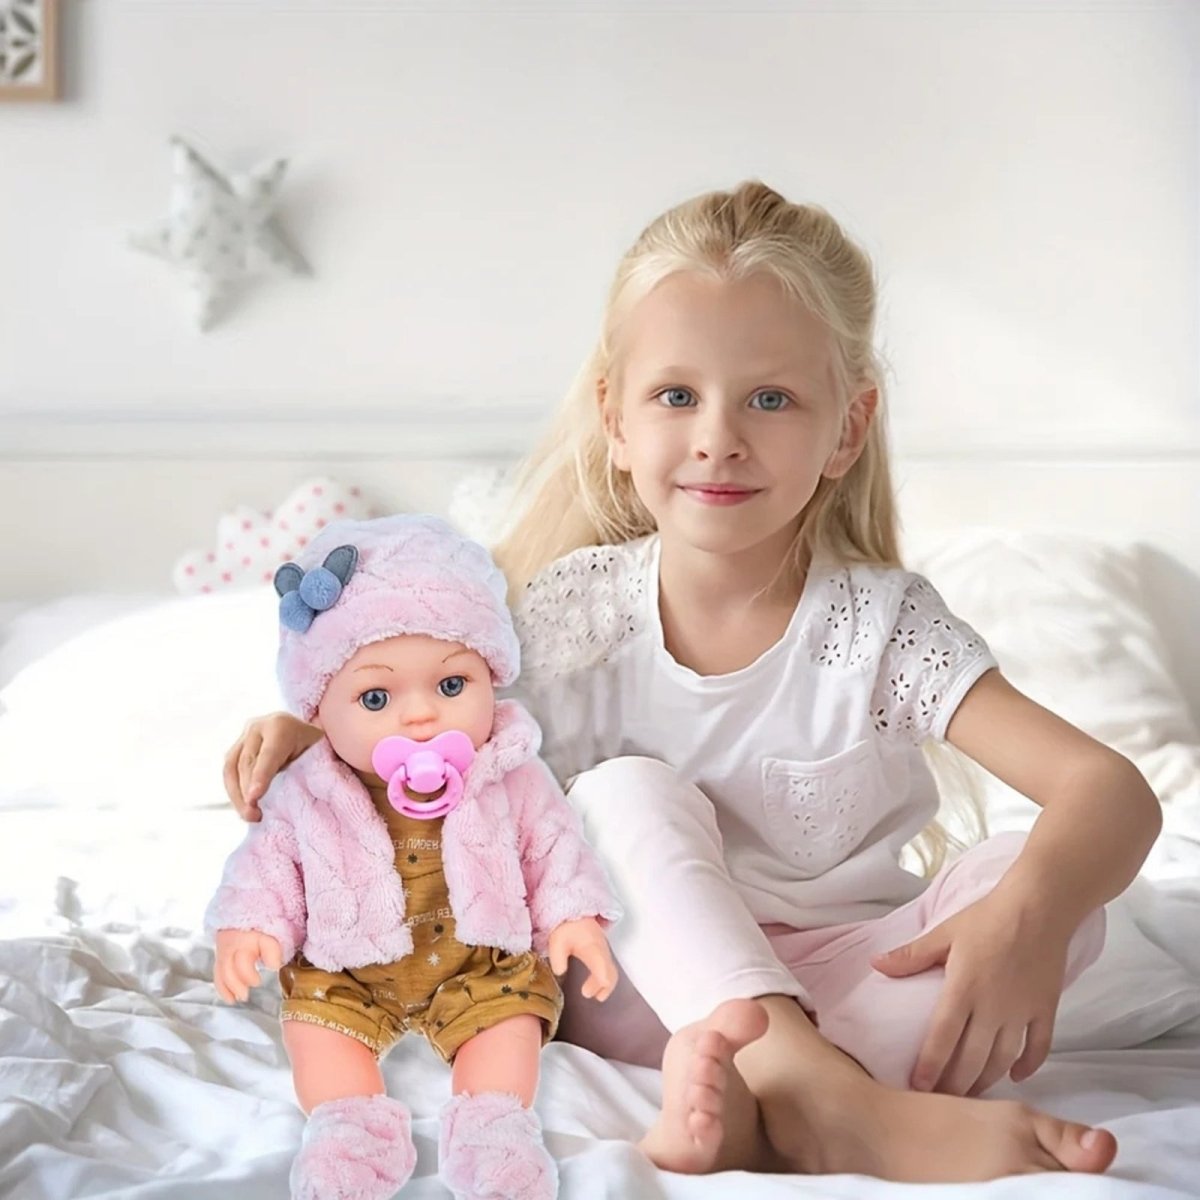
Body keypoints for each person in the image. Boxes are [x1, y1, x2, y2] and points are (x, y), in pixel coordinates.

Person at [221, 181, 1164, 1184]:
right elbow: (430, 767)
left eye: (771, 398)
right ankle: (832, 1100)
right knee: (621, 795)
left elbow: (1109, 792)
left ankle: (769, 1103)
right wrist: (312, 742)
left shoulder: (883, 629)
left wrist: (1030, 915)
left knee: (1040, 880)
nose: (719, 435)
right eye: (677, 396)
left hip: (848, 975)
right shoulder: (568, 616)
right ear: (617, 425)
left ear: (847, 428)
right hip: (632, 983)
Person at [207, 514, 620, 1200]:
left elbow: (554, 845)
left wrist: (573, 918)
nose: (422, 716)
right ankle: (349, 1134)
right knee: (318, 1030)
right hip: (347, 966)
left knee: (509, 1023)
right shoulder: (311, 784)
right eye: (376, 697)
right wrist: (250, 925)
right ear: (319, 711)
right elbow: (270, 863)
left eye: (453, 685)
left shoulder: (508, 769)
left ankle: (494, 1133)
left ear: (492, 677)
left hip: (478, 962)